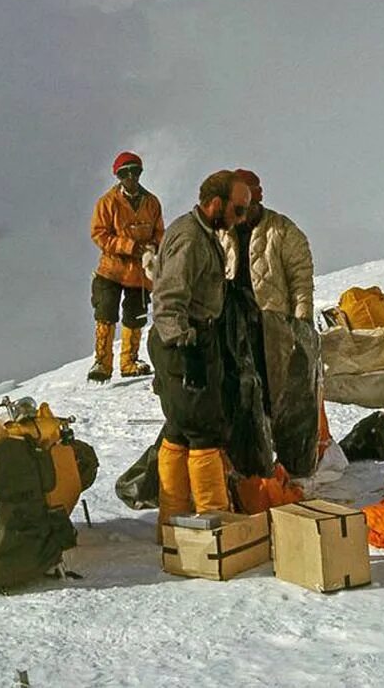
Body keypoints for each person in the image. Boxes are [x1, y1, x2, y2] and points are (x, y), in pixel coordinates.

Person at [147, 170, 252, 522]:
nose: (240, 219)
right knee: (203, 430)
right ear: (216, 203)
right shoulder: (191, 240)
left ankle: (173, 520)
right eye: (238, 210)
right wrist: (185, 348)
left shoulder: (203, 234)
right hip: (183, 343)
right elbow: (167, 300)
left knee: (179, 428)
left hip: (194, 339)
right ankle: (214, 518)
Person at [219, 169, 320, 477]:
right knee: (241, 393)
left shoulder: (282, 230)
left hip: (273, 327)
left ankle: (291, 463)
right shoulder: (222, 231)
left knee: (281, 394)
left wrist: (301, 323)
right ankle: (249, 460)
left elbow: (300, 278)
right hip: (234, 325)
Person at [88, 151, 164, 382]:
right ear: (118, 176)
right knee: (106, 313)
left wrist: (153, 247)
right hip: (112, 269)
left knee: (135, 316)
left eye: (135, 171)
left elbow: (160, 232)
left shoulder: (151, 202)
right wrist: (130, 246)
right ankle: (102, 362)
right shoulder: (107, 203)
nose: (131, 177)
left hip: (140, 272)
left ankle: (129, 361)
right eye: (125, 173)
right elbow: (99, 234)